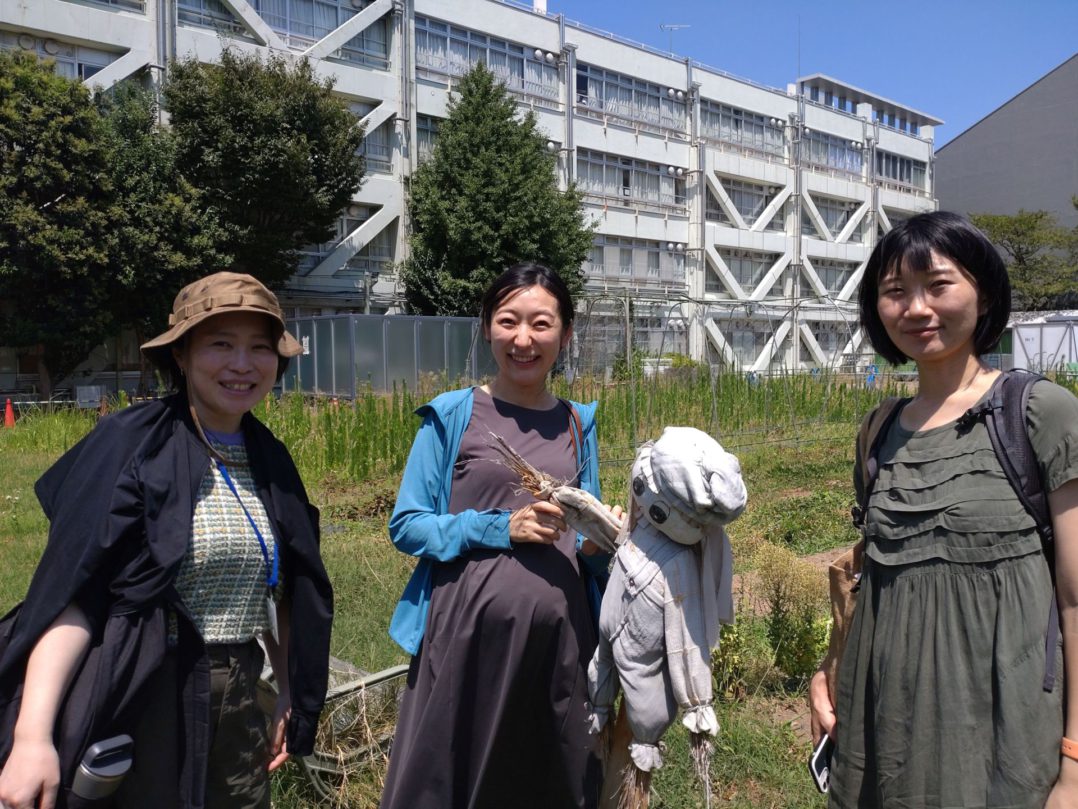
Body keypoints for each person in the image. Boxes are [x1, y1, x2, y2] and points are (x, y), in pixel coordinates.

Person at [0, 272, 334, 809]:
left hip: (240, 695)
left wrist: (291, 687)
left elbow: (285, 583)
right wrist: (31, 737)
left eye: (259, 347)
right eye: (220, 344)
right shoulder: (131, 446)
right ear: (180, 355)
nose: (242, 364)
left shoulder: (270, 457)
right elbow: (73, 598)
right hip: (144, 689)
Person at [808, 212, 1078, 808]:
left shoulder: (1039, 413)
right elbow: (868, 577)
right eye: (895, 292)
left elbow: (1076, 599)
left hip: (1002, 733)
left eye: (938, 285)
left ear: (982, 292)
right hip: (883, 723)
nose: (917, 308)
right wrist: (827, 670)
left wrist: (1076, 763)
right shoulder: (878, 431)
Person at [379, 262, 614, 809]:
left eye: (541, 324)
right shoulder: (453, 415)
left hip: (557, 646)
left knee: (548, 782)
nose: (524, 339)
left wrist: (601, 542)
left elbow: (584, 544)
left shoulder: (579, 423)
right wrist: (500, 527)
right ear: (487, 327)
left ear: (566, 334)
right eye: (509, 321)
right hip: (465, 642)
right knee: (447, 782)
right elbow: (407, 524)